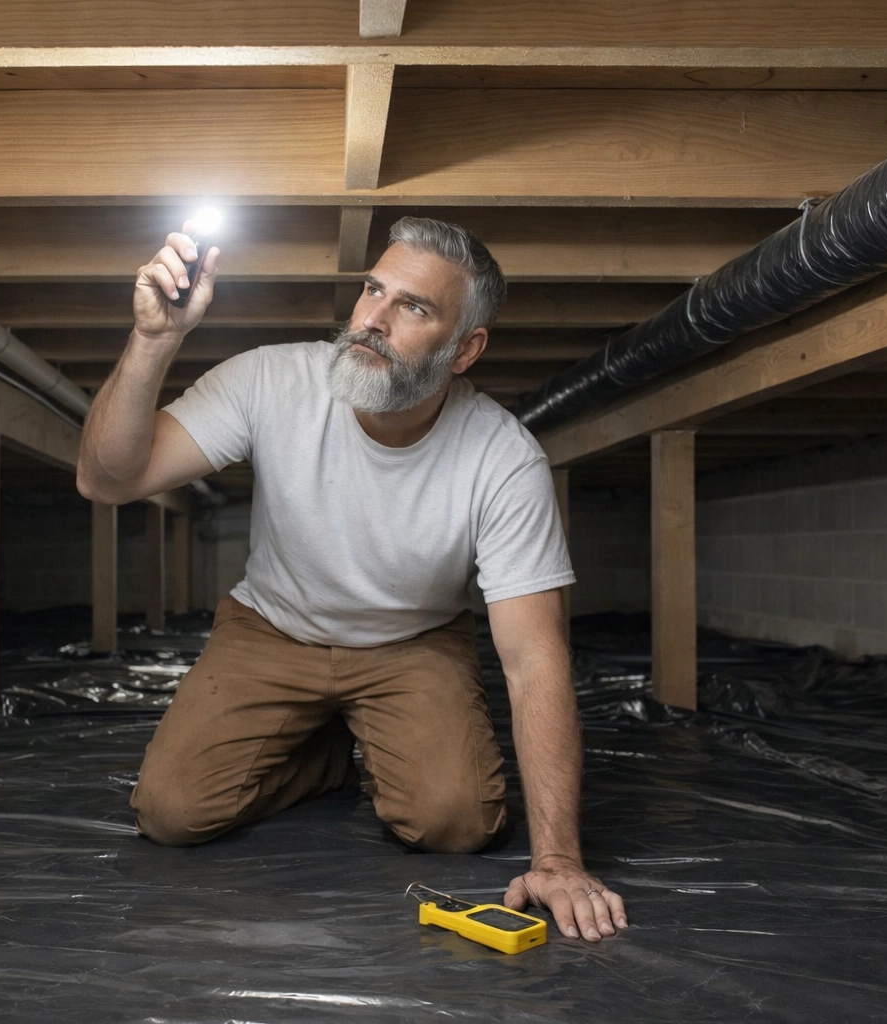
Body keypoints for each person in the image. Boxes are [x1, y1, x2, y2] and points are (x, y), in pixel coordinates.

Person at [76, 216, 627, 943]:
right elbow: (106, 479)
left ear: (465, 350)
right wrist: (154, 340)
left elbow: (533, 661)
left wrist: (559, 859)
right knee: (170, 814)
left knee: (455, 822)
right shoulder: (270, 380)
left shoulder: (503, 459)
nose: (372, 318)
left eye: (414, 307)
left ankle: (361, 730)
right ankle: (329, 753)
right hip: (273, 628)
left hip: (413, 642)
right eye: (374, 289)